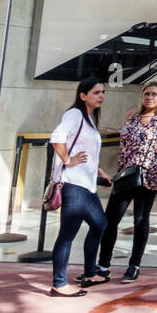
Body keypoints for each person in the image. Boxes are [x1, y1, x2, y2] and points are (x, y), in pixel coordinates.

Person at [96, 82, 157, 283]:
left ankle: (134, 265)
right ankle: (103, 264)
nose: (149, 97)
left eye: (154, 94)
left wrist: (156, 164)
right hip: (125, 175)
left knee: (140, 219)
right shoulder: (132, 115)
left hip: (149, 177)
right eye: (146, 93)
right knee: (111, 219)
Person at [48, 78, 112, 297]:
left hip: (86, 185)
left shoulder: (89, 118)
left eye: (103, 92)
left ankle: (90, 272)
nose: (101, 96)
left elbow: (87, 150)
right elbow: (57, 138)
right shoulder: (74, 114)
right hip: (74, 185)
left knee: (99, 224)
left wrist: (99, 171)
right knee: (67, 234)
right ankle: (59, 283)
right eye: (96, 92)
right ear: (83, 95)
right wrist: (67, 159)